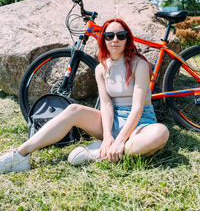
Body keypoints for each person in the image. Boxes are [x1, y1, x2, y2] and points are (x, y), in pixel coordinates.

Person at [0, 18, 169, 172]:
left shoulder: (139, 64)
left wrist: (119, 140)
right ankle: (20, 155)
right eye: (109, 36)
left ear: (127, 39)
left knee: (161, 133)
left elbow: (138, 107)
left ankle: (102, 152)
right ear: (103, 39)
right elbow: (107, 104)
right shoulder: (101, 69)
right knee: (73, 109)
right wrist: (109, 135)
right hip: (112, 120)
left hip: (140, 123)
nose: (115, 40)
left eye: (121, 35)